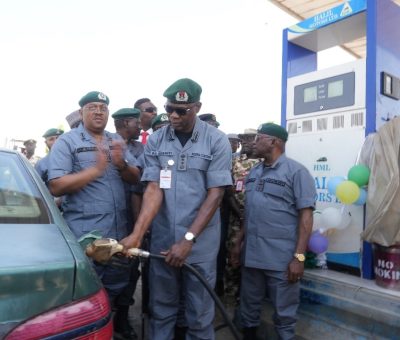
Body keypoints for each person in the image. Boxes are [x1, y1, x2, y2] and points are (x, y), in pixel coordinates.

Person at [121, 78, 232, 340]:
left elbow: (215, 194)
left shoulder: (216, 141)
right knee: (162, 310)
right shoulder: (157, 140)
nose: (173, 115)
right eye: (169, 108)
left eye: (181, 110)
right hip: (163, 240)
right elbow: (153, 189)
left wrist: (188, 240)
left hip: (200, 245)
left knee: (199, 315)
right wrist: (138, 234)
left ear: (197, 107)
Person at [48, 91, 141, 315]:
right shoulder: (67, 142)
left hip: (118, 235)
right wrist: (95, 171)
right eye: (92, 107)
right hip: (86, 236)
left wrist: (121, 165)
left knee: (113, 293)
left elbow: (136, 177)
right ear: (81, 112)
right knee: (84, 296)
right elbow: (56, 185)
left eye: (103, 107)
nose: (98, 111)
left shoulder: (115, 140)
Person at [231, 123, 316, 340]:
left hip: (281, 259)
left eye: (259, 138)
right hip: (252, 256)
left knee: (284, 314)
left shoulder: (297, 172)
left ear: (274, 142)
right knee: (249, 309)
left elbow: (306, 218)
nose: (253, 143)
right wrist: (238, 243)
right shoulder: (254, 171)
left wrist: (298, 257)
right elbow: (249, 211)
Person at [111, 107, 144, 340]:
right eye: (136, 122)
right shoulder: (104, 144)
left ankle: (122, 319)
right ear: (124, 123)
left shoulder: (140, 149)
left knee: (130, 272)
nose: (140, 126)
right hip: (106, 219)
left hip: (133, 220)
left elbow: (140, 183)